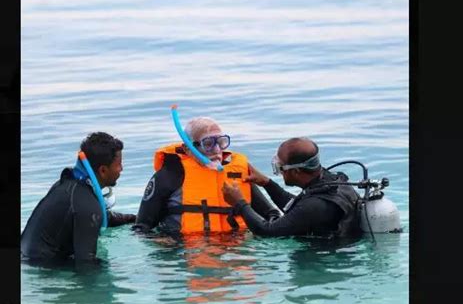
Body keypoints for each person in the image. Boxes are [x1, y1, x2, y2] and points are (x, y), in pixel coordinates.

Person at [134, 116, 280, 235]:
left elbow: (272, 215)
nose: (217, 150)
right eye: (208, 143)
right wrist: (163, 244)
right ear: (187, 148)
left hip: (236, 251)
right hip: (184, 254)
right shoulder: (170, 175)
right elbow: (141, 228)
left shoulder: (237, 174)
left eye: (222, 142)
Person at [21, 132, 136, 264]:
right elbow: (86, 265)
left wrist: (132, 219)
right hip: (43, 270)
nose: (121, 169)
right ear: (103, 170)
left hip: (27, 258)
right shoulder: (87, 205)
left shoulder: (68, 186)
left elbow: (97, 216)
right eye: (119, 164)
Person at [222, 137, 362, 238]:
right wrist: (267, 183)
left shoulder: (316, 205)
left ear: (295, 171)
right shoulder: (332, 182)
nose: (280, 172)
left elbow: (267, 231)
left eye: (280, 167)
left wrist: (239, 203)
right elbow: (297, 207)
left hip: (324, 263)